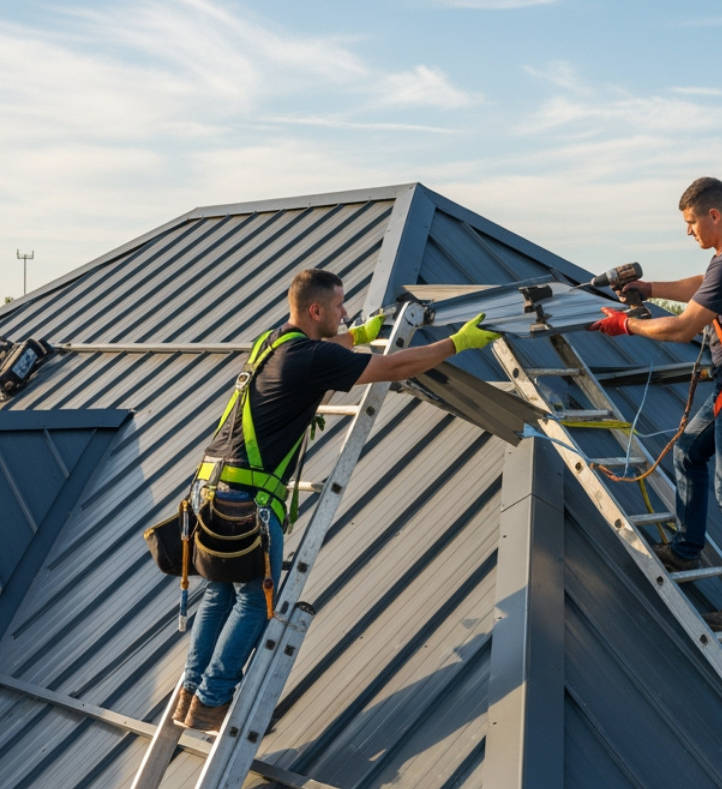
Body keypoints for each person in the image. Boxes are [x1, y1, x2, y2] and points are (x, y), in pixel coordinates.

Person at [176, 268, 499, 732]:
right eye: (340, 307)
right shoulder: (311, 357)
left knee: (220, 594)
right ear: (315, 310)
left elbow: (327, 352)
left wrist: (357, 336)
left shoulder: (272, 341)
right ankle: (214, 698)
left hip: (208, 489)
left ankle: (193, 695)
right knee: (254, 601)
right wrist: (458, 343)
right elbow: (393, 367)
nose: (346, 313)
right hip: (245, 504)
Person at [589, 177, 722, 633]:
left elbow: (682, 329)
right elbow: (702, 284)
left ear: (713, 215)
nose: (688, 232)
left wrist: (626, 325)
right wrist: (649, 287)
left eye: (691, 222)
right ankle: (686, 547)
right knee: (687, 453)